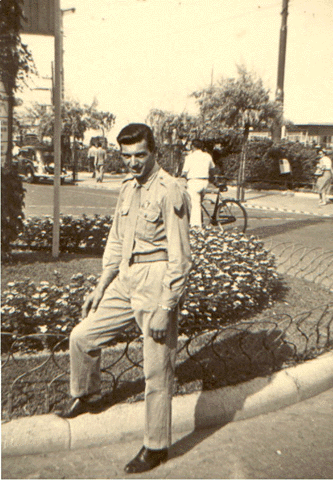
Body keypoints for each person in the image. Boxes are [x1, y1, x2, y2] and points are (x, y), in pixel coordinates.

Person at [57, 123, 192, 474]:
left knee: (156, 370)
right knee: (82, 336)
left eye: (140, 155)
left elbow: (180, 259)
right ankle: (89, 394)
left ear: (154, 152)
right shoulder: (128, 189)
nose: (132, 163)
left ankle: (156, 446)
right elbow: (116, 242)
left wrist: (166, 307)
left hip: (156, 281)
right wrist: (100, 287)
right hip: (126, 277)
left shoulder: (170, 190)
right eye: (126, 155)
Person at [181, 139, 215, 227]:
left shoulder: (189, 157)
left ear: (192, 146)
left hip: (194, 182)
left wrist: (181, 177)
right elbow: (212, 169)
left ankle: (196, 226)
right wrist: (212, 178)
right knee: (198, 203)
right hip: (204, 182)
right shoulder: (207, 156)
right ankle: (200, 221)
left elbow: (184, 172)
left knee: (194, 204)